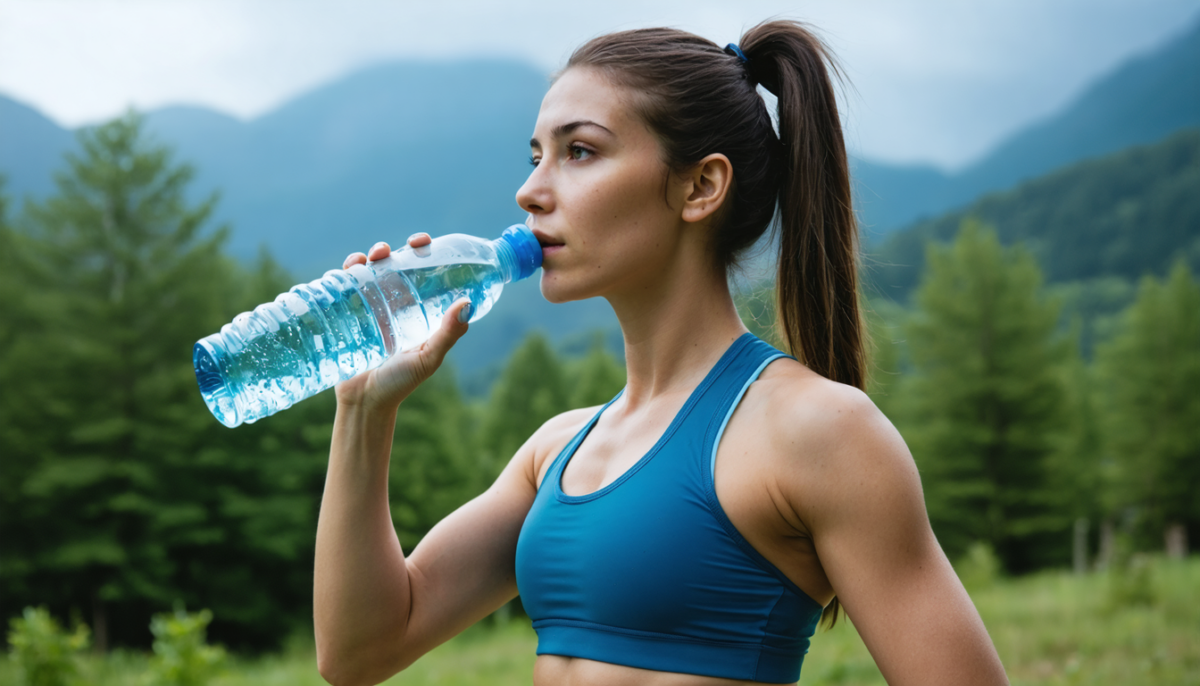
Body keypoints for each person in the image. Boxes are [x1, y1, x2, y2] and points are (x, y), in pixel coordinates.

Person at [314, 19, 1010, 686]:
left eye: (579, 151)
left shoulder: (818, 430)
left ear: (700, 186)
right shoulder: (554, 452)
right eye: (536, 157)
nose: (530, 192)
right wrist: (364, 409)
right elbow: (359, 652)